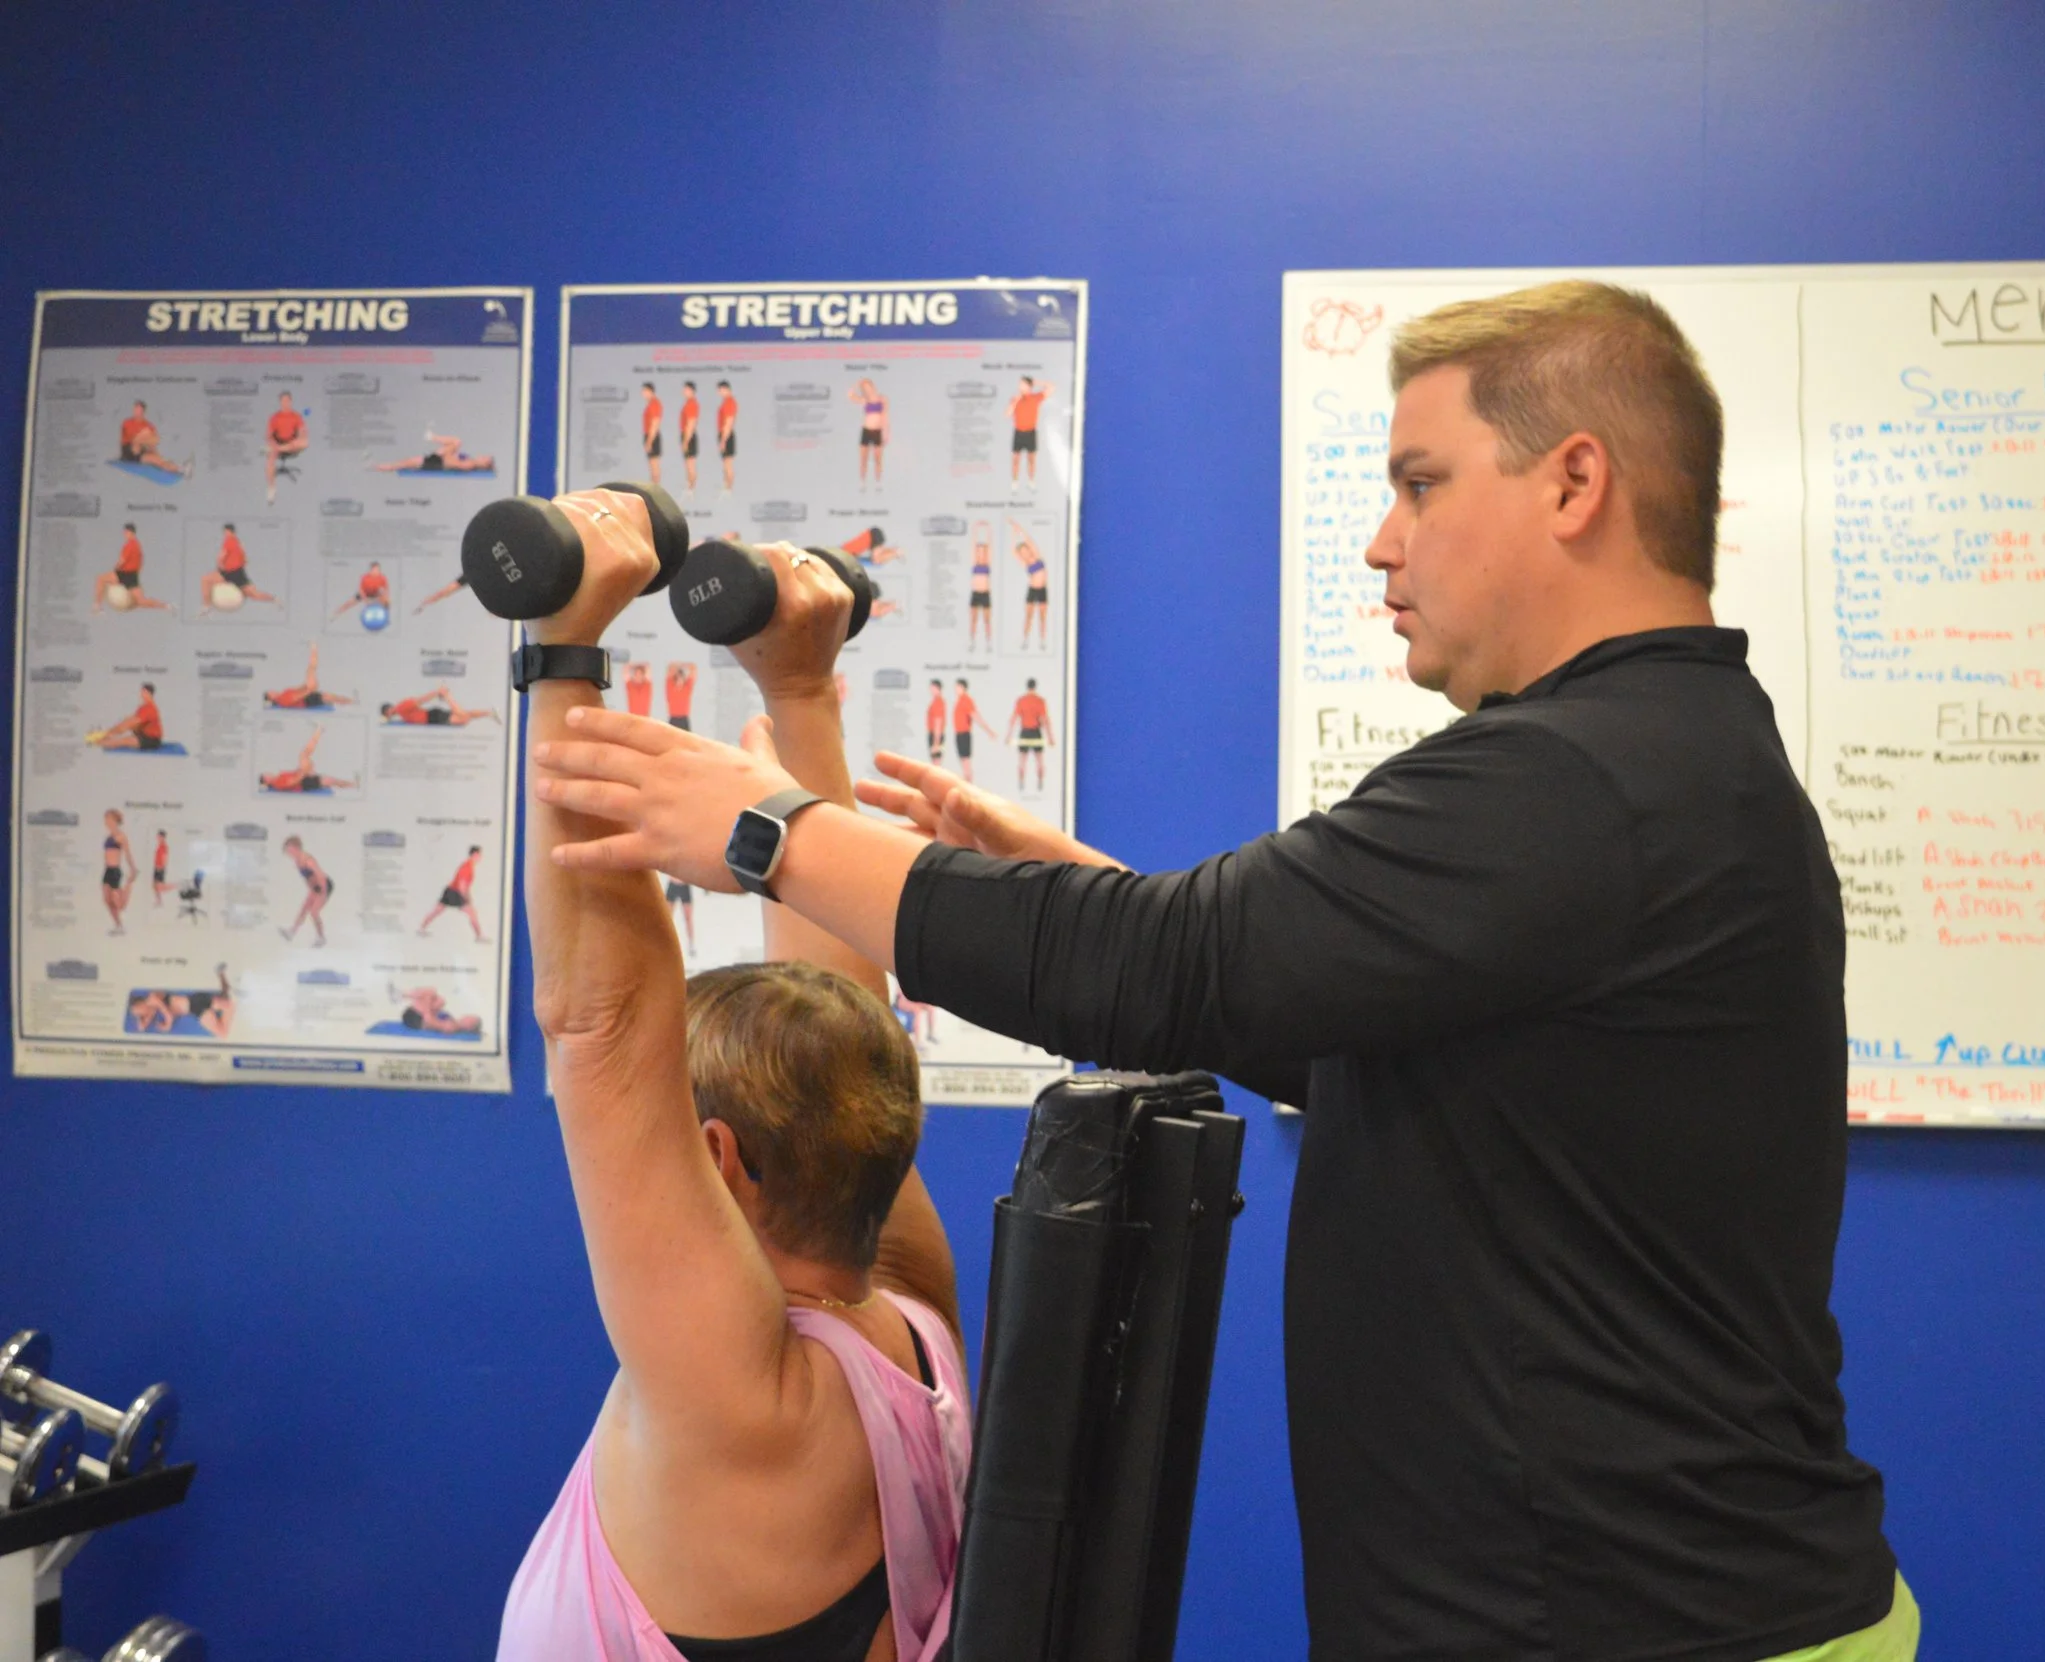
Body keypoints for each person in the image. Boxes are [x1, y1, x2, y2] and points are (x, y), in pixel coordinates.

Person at [535, 282, 1914, 1662]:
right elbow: (1357, 1044)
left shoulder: (1577, 775)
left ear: (1575, 481)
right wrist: (1066, 882)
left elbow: (1173, 967)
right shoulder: (1675, 761)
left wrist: (768, 829)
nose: (1384, 542)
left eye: (1421, 484)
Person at [499, 490, 967, 1661]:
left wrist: (564, 650)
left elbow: (604, 1027)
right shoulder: (910, 1320)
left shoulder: (738, 1413)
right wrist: (797, 694)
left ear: (718, 1165)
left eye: (677, 1127)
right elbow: (845, 1017)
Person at [202, 524, 279, 612]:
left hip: (229, 572)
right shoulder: (239, 543)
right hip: (239, 573)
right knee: (255, 595)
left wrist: (220, 568)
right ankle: (274, 599)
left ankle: (206, 606)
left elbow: (221, 556)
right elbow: (245, 560)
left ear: (227, 531)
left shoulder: (228, 541)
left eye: (225, 532)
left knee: (205, 580)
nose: (225, 534)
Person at [419, 845, 488, 941]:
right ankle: (479, 936)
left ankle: (421, 929)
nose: (481, 857)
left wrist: (468, 897)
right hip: (455, 892)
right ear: (475, 854)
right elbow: (462, 885)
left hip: (450, 891)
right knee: (473, 913)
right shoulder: (467, 867)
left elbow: (465, 885)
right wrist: (466, 899)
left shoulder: (470, 865)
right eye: (480, 855)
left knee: (436, 911)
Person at [260, 725, 356, 794]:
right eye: (266, 775)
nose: (268, 773)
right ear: (266, 781)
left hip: (304, 777)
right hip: (305, 783)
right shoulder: (277, 783)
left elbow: (294, 774)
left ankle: (318, 731)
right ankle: (354, 785)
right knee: (332, 781)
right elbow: (294, 781)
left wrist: (301, 770)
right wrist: (304, 772)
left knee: (304, 755)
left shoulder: (280, 776)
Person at [95, 524, 169, 612]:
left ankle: (97, 607)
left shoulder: (129, 545)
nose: (124, 534)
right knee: (142, 601)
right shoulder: (138, 545)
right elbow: (140, 562)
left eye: (126, 532)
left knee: (100, 579)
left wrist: (115, 569)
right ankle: (166, 606)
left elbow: (121, 561)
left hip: (124, 574)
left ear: (130, 532)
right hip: (133, 576)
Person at [278, 836, 333, 946]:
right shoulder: (298, 862)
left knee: (314, 912)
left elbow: (319, 875)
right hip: (314, 887)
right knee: (304, 909)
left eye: (289, 849)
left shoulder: (307, 859)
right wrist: (312, 890)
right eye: (287, 850)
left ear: (296, 847)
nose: (288, 852)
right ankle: (291, 933)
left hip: (324, 885)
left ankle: (321, 938)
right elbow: (307, 878)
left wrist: (321, 890)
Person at [266, 645, 352, 710]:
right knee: (312, 670)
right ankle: (313, 647)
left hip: (307, 695)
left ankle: (349, 701)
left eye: (272, 691)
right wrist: (309, 690)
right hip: (307, 701)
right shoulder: (282, 700)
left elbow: (297, 689)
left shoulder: (284, 692)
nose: (273, 691)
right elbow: (296, 698)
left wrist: (305, 685)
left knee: (330, 695)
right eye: (271, 693)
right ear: (272, 698)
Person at [116, 401, 189, 476]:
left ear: (143, 411)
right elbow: (133, 439)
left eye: (138, 410)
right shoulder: (128, 423)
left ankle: (180, 469)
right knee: (145, 434)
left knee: (157, 458)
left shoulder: (148, 425)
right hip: (129, 452)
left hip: (141, 451)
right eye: (135, 409)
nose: (136, 412)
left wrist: (157, 455)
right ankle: (177, 468)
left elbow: (152, 443)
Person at [369, 431, 495, 473]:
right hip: (438, 459)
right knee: (456, 442)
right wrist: (452, 453)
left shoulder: (470, 464)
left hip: (436, 462)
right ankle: (431, 437)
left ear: (484, 464)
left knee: (401, 464)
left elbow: (452, 464)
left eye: (484, 458)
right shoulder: (470, 460)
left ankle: (375, 466)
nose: (482, 456)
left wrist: (448, 454)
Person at [1009, 520, 1048, 648]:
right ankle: (1025, 639)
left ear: (1029, 549)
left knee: (1042, 617)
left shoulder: (1037, 556)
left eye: (1026, 549)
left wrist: (1019, 527)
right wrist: (1014, 534)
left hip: (1042, 590)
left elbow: (1029, 540)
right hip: (1032, 590)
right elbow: (1013, 551)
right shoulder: (1025, 563)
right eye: (1023, 552)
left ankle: (1042, 640)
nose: (1025, 552)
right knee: (1029, 616)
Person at [1010, 678, 1055, 792]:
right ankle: (1040, 783)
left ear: (1027, 687)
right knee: (1039, 759)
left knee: (1022, 760)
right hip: (1035, 732)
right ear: (1035, 687)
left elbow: (1014, 718)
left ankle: (1021, 783)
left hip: (1025, 732)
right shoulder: (1040, 701)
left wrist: (1008, 736)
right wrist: (1050, 737)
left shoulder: (1021, 701)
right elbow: (1045, 720)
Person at [93, 683, 166, 752]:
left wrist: (109, 733)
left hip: (151, 740)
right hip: (143, 735)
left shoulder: (149, 708)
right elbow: (128, 721)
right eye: (141, 692)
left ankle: (94, 742)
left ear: (148, 693)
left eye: (143, 692)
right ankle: (99, 739)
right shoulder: (143, 708)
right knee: (117, 735)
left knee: (116, 742)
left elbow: (129, 725)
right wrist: (110, 732)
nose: (141, 694)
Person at [388, 983, 481, 1036]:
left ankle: (401, 995)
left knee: (430, 991)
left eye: (471, 1019)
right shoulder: (452, 1021)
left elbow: (429, 1020)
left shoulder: (451, 1027)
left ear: (469, 1027)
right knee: (440, 1000)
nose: (467, 1016)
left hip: (416, 1020)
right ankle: (400, 995)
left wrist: (428, 1001)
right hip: (417, 1016)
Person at [170, 965, 236, 1039]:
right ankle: (222, 977)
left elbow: (168, 1015)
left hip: (195, 1005)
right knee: (229, 1005)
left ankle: (222, 977)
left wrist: (168, 1020)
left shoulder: (160, 1000)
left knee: (223, 1033)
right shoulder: (164, 1001)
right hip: (195, 1003)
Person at [948, 679, 994, 785]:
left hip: (964, 735)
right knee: (963, 763)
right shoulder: (959, 700)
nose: (955, 689)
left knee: (966, 764)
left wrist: (989, 731)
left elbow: (976, 717)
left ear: (963, 687)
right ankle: (967, 787)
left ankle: (969, 789)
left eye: (957, 687)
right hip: (959, 734)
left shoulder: (966, 700)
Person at [265, 391, 308, 502]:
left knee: (305, 442)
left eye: (287, 400)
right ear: (280, 402)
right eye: (283, 401)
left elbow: (303, 433)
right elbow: (269, 436)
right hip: (278, 443)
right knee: (270, 460)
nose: (285, 403)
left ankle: (280, 449)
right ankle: (271, 490)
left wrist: (298, 440)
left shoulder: (296, 416)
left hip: (291, 444)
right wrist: (274, 444)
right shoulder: (274, 417)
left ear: (290, 401)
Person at [381, 687, 497, 726]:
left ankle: (446, 695)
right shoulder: (400, 713)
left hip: (433, 716)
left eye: (388, 713)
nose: (389, 716)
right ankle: (489, 713)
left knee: (464, 717)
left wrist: (437, 692)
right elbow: (386, 720)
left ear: (389, 710)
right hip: (432, 717)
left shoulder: (401, 707)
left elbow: (420, 700)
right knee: (465, 716)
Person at [1006, 376, 1048, 482]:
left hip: (1031, 432)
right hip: (1019, 432)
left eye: (1022, 384)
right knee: (1015, 459)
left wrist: (1035, 382)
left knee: (1031, 459)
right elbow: (1007, 414)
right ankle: (1014, 482)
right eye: (1020, 384)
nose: (1020, 386)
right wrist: (1015, 401)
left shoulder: (1036, 397)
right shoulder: (1015, 399)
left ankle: (1031, 480)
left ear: (1029, 386)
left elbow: (1052, 387)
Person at [100, 809, 133, 934]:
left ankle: (129, 886)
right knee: (107, 900)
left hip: (115, 871)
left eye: (108, 819)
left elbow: (127, 853)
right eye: (105, 819)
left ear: (114, 820)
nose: (106, 822)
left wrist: (132, 869)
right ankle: (118, 925)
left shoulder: (121, 836)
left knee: (119, 904)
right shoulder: (109, 836)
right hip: (107, 870)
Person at [851, 379, 888, 483]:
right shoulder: (864, 400)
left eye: (868, 387)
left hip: (877, 431)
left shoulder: (882, 399)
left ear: (872, 386)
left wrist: (886, 433)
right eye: (864, 388)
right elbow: (850, 395)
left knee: (878, 460)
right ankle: (862, 483)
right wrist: (857, 384)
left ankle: (878, 483)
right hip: (866, 431)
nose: (867, 390)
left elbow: (885, 417)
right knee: (863, 460)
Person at [965, 522, 993, 651]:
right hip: (975, 594)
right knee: (973, 620)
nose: (981, 553)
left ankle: (988, 643)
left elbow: (990, 544)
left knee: (987, 620)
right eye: (979, 551)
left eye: (983, 551)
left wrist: (987, 529)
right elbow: (972, 545)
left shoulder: (987, 563)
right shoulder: (974, 563)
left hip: (985, 594)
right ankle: (972, 642)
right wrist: (976, 529)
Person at [717, 380, 739, 491]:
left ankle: (728, 488)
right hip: (725, 434)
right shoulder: (727, 402)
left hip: (727, 434)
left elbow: (729, 422)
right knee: (726, 464)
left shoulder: (729, 403)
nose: (719, 393)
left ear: (726, 389)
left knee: (728, 464)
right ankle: (727, 486)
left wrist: (723, 440)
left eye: (720, 390)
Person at [642, 382, 664, 489]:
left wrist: (649, 441)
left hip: (652, 436)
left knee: (654, 465)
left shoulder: (655, 404)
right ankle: (654, 487)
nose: (643, 394)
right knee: (652, 464)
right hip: (650, 435)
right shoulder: (651, 404)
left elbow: (655, 423)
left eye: (645, 391)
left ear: (650, 391)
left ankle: (655, 489)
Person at [681, 380, 702, 493]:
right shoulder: (689, 404)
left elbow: (691, 423)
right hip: (688, 435)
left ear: (691, 390)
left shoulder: (691, 404)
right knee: (688, 464)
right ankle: (690, 487)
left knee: (690, 465)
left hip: (689, 435)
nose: (684, 391)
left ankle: (691, 489)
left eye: (686, 389)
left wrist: (685, 441)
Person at [666, 662, 697, 732]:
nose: (679, 680)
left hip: (684, 719)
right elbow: (670, 667)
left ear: (684, 679)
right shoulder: (670, 687)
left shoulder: (687, 687)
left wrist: (681, 666)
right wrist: (677, 668)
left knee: (687, 741)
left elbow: (693, 668)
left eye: (681, 678)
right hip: (673, 718)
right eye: (677, 678)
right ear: (675, 679)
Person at [922, 680, 946, 768]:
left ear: (938, 688)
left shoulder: (938, 703)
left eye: (932, 688)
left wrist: (936, 742)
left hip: (936, 734)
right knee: (935, 763)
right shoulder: (936, 701)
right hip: (934, 734)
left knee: (936, 764)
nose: (931, 690)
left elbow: (938, 722)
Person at [152, 830, 170, 907]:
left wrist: (162, 867)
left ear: (163, 837)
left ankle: (160, 901)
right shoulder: (160, 845)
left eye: (159, 836)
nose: (157, 837)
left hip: (160, 868)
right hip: (157, 867)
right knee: (155, 885)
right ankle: (159, 901)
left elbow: (165, 858)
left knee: (158, 885)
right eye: (157, 836)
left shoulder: (164, 846)